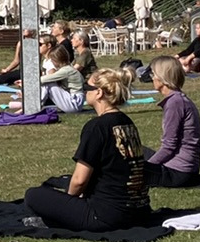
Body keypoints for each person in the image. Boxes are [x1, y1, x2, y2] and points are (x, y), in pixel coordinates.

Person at [23, 72, 152, 232]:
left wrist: (68, 204)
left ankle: (58, 221)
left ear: (99, 93)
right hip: (138, 211)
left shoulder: (96, 127)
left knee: (33, 195)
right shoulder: (127, 122)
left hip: (106, 216)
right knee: (60, 183)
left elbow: (79, 181)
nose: (84, 92)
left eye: (87, 88)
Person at [144, 58, 200, 188]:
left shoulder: (175, 103)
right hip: (184, 169)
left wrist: (146, 168)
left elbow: (169, 146)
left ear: (162, 78)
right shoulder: (178, 100)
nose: (152, 78)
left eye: (153, 74)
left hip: (178, 172)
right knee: (133, 149)